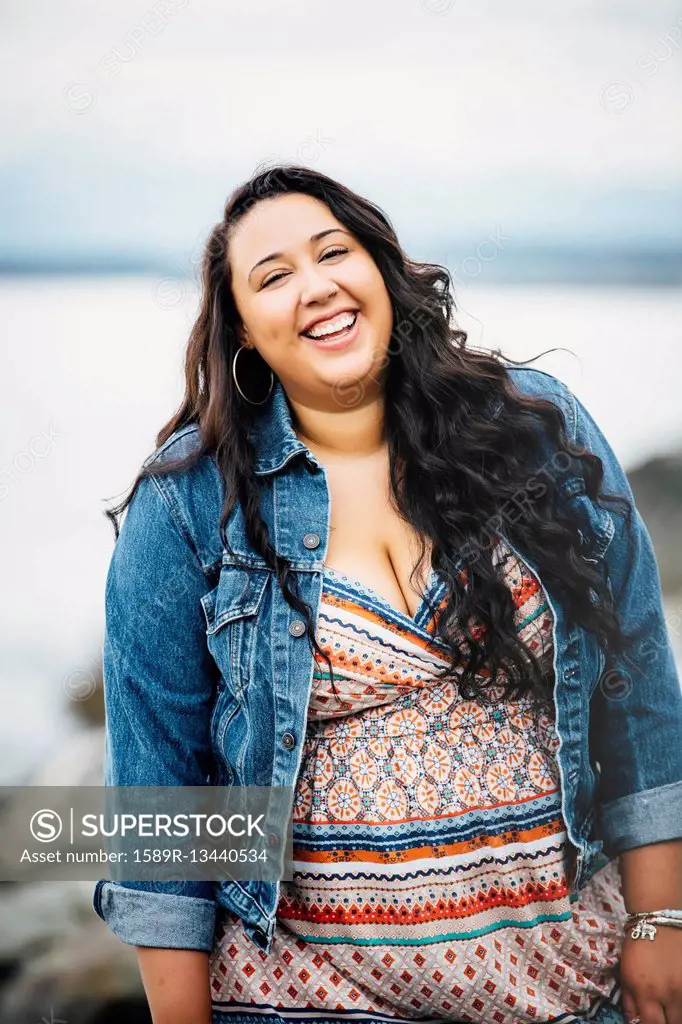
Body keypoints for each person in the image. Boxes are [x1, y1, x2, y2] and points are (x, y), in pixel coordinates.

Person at [93, 164, 682, 1024]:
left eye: (335, 251)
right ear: (245, 332)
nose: (317, 285)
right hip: (304, 998)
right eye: (274, 275)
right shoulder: (187, 503)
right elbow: (159, 794)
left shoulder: (535, 430)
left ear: (383, 271)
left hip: (571, 984)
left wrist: (661, 917)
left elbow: (637, 678)